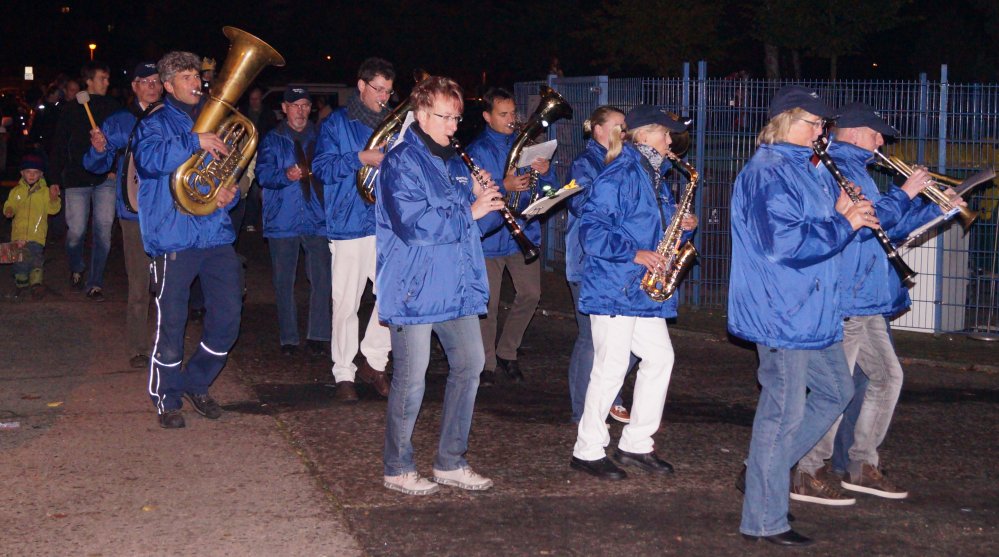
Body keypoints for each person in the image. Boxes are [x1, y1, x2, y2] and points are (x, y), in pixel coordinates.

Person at [729, 86, 873, 546]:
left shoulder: (804, 169)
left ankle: (761, 471)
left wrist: (847, 214)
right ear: (782, 121)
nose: (820, 132)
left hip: (812, 308)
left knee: (837, 389)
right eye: (811, 123)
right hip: (783, 311)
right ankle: (765, 520)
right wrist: (843, 223)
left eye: (822, 125)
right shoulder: (768, 172)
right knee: (783, 414)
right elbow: (783, 245)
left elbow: (817, 227)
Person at [794, 102, 946, 503]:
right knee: (836, 389)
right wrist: (906, 192)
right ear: (857, 133)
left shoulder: (858, 170)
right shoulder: (834, 169)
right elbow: (859, 226)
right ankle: (808, 469)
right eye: (877, 133)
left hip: (867, 297)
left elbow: (884, 227)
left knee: (886, 378)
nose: (882, 141)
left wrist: (936, 207)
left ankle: (861, 464)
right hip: (848, 296)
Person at [376, 75, 504, 495]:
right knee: (411, 381)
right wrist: (471, 209)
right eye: (443, 117)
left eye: (456, 117)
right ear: (420, 114)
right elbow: (416, 227)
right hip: (415, 288)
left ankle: (450, 461)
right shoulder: (399, 161)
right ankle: (397, 467)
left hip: (455, 285)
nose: (452, 126)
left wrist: (488, 201)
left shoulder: (453, 164)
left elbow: (471, 230)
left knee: (471, 364)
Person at [569, 105, 696, 481]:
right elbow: (590, 231)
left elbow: (658, 234)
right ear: (643, 135)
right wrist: (634, 253)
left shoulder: (653, 176)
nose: (671, 141)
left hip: (638, 291)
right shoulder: (620, 173)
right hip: (614, 287)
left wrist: (683, 229)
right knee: (609, 370)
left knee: (660, 359)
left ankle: (636, 443)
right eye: (665, 134)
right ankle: (587, 449)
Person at [134, 51, 241, 429]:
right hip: (173, 237)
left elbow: (228, 175)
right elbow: (149, 160)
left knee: (228, 318)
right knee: (172, 323)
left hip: (214, 233)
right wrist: (196, 141)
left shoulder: (216, 123)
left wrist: (230, 193)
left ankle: (197, 381)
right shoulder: (155, 122)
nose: (196, 82)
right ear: (167, 85)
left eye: (197, 75)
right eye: (186, 77)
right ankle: (167, 396)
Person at [313, 57, 395, 402]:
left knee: (394, 296)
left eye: (390, 91)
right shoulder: (336, 125)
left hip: (385, 224)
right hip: (348, 225)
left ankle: (374, 360)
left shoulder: (394, 124)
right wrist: (361, 158)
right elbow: (322, 168)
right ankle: (343, 372)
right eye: (379, 89)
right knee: (346, 304)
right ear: (361, 86)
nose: (385, 98)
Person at [468, 87, 555, 385]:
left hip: (523, 232)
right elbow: (474, 192)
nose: (510, 119)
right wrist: (505, 184)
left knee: (531, 294)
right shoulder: (478, 149)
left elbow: (547, 189)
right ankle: (486, 363)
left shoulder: (527, 143)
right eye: (503, 114)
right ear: (487, 116)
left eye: (512, 113)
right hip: (491, 235)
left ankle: (508, 351)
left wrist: (544, 173)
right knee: (488, 305)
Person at [82, 62, 164, 369]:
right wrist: (100, 149)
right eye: (145, 82)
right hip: (134, 215)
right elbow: (94, 165)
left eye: (157, 81)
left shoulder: (173, 118)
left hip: (169, 214)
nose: (152, 86)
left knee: (170, 284)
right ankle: (138, 348)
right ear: (134, 87)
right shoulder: (121, 121)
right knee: (139, 285)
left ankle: (166, 345)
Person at [565, 105, 632, 424]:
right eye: (618, 125)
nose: (624, 130)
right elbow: (578, 203)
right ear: (599, 131)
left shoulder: (623, 159)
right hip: (586, 261)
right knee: (589, 339)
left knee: (632, 338)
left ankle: (607, 394)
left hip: (614, 260)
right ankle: (582, 411)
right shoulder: (585, 162)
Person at [255, 86, 332, 356]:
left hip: (317, 219)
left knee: (322, 279)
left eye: (305, 105)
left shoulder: (322, 137)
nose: (300, 110)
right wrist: (284, 175)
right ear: (284, 108)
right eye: (295, 105)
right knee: (283, 282)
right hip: (282, 220)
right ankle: (288, 338)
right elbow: (262, 174)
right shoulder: (272, 139)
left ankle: (319, 336)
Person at [48, 61, 120, 300]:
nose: (107, 83)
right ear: (89, 81)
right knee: (76, 232)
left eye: (108, 79)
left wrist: (115, 165)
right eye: (103, 78)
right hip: (77, 179)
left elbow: (122, 141)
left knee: (103, 232)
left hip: (105, 180)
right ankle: (77, 266)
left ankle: (95, 282)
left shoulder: (113, 106)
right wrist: (55, 178)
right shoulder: (71, 109)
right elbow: (59, 144)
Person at [3, 153, 61, 299]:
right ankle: (21, 285)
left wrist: (54, 199)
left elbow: (53, 209)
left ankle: (36, 285)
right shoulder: (16, 191)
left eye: (35, 173)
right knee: (19, 261)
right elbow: (10, 204)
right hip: (18, 234)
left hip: (37, 235)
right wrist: (9, 210)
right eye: (28, 172)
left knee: (36, 258)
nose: (31, 175)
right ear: (22, 173)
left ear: (41, 175)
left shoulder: (44, 192)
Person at [240, 86, 278, 234]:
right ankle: (249, 221)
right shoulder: (243, 113)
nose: (254, 102)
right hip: (247, 155)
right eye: (251, 99)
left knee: (263, 190)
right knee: (250, 190)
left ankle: (267, 221)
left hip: (263, 154)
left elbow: (272, 134)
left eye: (256, 99)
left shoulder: (268, 114)